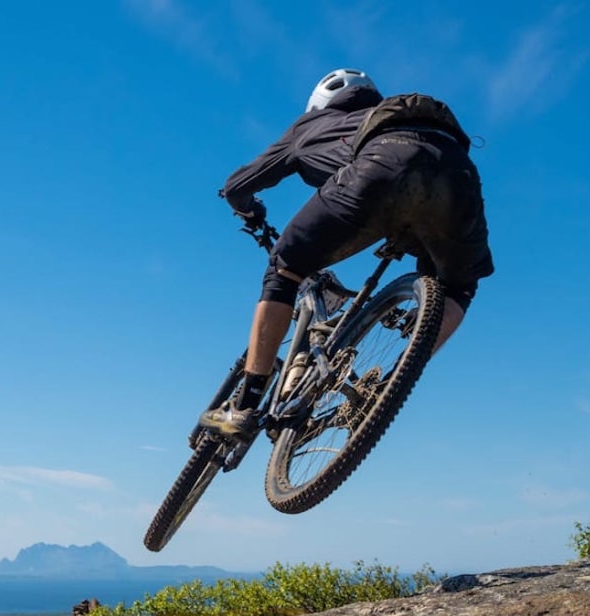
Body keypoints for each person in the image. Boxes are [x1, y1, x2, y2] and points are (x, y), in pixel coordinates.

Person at [199, 68, 493, 437]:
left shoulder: (309, 126)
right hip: (458, 175)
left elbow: (237, 186)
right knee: (459, 285)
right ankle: (388, 388)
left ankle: (244, 406)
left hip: (382, 165)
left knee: (285, 269)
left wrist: (248, 210)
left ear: (319, 103)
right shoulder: (381, 116)